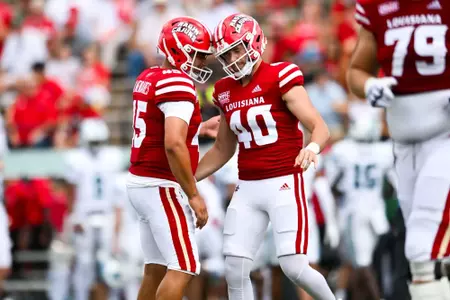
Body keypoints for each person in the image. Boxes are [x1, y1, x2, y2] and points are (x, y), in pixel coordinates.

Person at [195, 13, 335, 300]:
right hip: (247, 185)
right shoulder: (224, 91)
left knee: (294, 266)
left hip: (283, 180)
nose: (232, 58)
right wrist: (185, 177)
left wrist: (312, 148)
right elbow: (223, 148)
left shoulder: (280, 76)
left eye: (236, 49)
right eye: (226, 53)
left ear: (254, 41)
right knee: (234, 267)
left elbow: (320, 127)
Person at [347, 1, 450, 299]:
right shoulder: (377, 6)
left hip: (445, 138)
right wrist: (368, 87)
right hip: (404, 145)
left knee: (423, 244)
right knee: (427, 248)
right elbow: (356, 71)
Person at [126, 16, 220, 300]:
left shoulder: (149, 76)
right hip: (161, 185)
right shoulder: (178, 83)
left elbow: (160, 127)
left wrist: (198, 127)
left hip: (141, 183)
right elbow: (173, 144)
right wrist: (193, 194)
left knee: (156, 269)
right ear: (178, 50)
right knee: (185, 266)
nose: (202, 62)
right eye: (198, 55)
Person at [326, 103, 395, 300]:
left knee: (360, 263)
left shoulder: (343, 150)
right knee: (368, 262)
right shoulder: (384, 151)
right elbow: (391, 186)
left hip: (354, 212)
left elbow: (332, 185)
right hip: (377, 212)